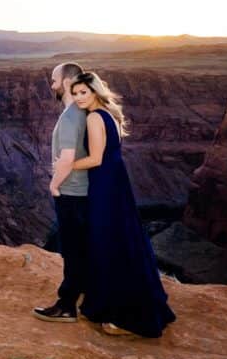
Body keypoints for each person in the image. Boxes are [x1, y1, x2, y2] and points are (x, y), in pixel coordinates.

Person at [68, 71, 176, 338]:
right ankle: (133, 304)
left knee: (106, 242)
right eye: (75, 93)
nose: (79, 98)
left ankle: (125, 316)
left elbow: (95, 159)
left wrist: (66, 165)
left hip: (104, 184)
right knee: (124, 240)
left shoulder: (94, 117)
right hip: (117, 182)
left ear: (95, 91)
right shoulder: (111, 113)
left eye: (84, 92)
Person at [33, 62, 90, 323]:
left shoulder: (70, 116)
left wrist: (54, 185)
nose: (52, 85)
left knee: (72, 250)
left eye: (54, 80)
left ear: (67, 82)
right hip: (83, 191)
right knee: (80, 247)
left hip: (71, 192)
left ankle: (67, 305)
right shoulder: (83, 110)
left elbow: (67, 158)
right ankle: (84, 295)